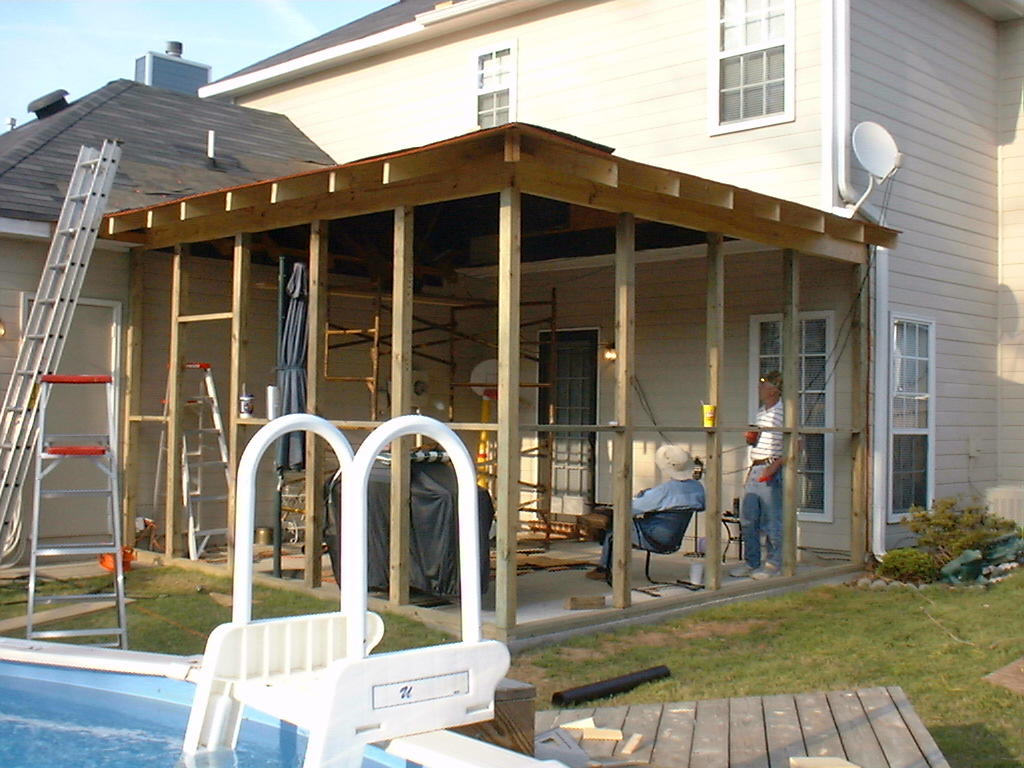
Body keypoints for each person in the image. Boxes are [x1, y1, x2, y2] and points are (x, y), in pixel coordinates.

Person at [585, 444, 706, 580]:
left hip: (653, 537)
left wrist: (642, 497)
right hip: (674, 539)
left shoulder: (665, 490)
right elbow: (701, 506)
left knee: (614, 529)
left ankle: (604, 569)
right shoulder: (697, 488)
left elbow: (631, 509)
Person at [731, 370, 784, 580]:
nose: (760, 388)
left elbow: (797, 445)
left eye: (764, 384)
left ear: (775, 389)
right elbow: (758, 442)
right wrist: (751, 439)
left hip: (771, 468)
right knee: (748, 519)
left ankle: (773, 564)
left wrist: (775, 466)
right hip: (756, 466)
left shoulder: (784, 412)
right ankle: (751, 562)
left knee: (772, 520)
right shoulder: (761, 412)